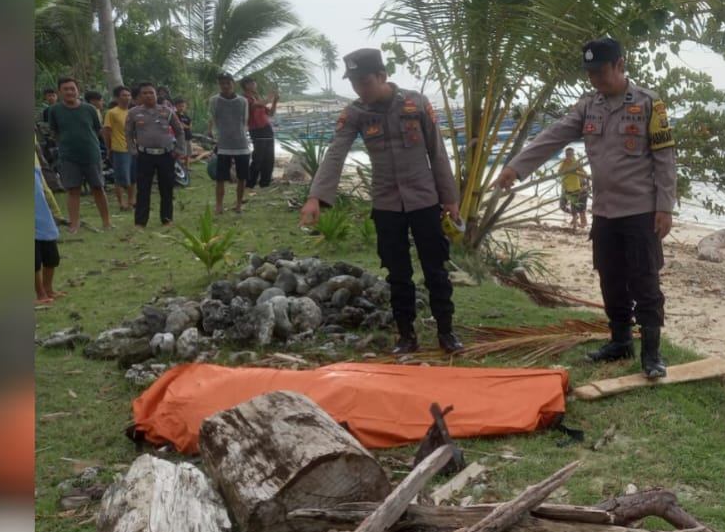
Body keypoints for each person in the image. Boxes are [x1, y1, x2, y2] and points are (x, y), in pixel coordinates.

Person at [492, 37, 677, 378]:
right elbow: (553, 136)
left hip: (640, 212)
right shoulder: (588, 106)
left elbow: (665, 160)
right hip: (604, 212)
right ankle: (620, 341)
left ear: (620, 65)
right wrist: (515, 167)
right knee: (610, 280)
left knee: (645, 283)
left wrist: (665, 206)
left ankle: (651, 355)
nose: (595, 80)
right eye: (590, 73)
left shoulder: (650, 104)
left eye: (601, 72)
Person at [300, 48, 464, 355]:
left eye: (365, 82)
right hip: (387, 204)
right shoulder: (355, 114)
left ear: (382, 76)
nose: (360, 89)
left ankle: (446, 332)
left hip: (425, 200)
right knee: (397, 273)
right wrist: (315, 197)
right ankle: (406, 335)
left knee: (435, 269)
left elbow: (437, 153)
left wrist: (450, 199)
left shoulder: (417, 104)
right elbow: (336, 152)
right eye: (354, 83)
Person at [44, 78, 111, 232]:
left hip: (91, 154)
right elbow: (55, 132)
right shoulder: (54, 111)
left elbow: (96, 129)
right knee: (73, 190)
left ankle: (107, 222)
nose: (69, 92)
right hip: (68, 156)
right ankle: (74, 224)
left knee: (98, 188)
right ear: (60, 92)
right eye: (65, 89)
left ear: (77, 90)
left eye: (72, 89)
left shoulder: (89, 109)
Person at [126, 82, 185, 228]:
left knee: (166, 188)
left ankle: (167, 219)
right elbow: (128, 133)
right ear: (140, 96)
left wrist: (179, 149)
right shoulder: (133, 113)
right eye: (144, 93)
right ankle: (140, 222)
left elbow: (179, 131)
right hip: (144, 155)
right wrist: (133, 150)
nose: (148, 95)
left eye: (150, 93)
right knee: (143, 189)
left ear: (155, 94)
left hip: (165, 155)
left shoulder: (167, 111)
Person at [207, 73, 251, 213]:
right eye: (222, 83)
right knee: (220, 178)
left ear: (233, 83)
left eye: (228, 83)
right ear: (219, 85)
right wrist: (215, 135)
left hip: (241, 144)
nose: (225, 86)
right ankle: (219, 205)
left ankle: (238, 204)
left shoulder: (242, 101)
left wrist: (240, 134)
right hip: (223, 145)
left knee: (242, 177)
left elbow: (244, 121)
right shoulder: (214, 101)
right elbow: (213, 118)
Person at [241, 76, 279, 189]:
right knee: (258, 157)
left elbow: (270, 113)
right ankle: (250, 182)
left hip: (266, 128)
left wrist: (275, 101)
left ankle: (265, 182)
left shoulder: (256, 98)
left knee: (269, 157)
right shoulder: (245, 99)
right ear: (247, 85)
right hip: (256, 129)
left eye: (254, 83)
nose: (255, 85)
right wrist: (271, 96)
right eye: (253, 83)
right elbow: (259, 105)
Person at [34, 163, 62, 305]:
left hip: (43, 219)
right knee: (34, 261)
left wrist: (56, 212)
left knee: (52, 257)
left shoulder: (36, 171)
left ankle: (48, 288)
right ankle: (40, 294)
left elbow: (46, 191)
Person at [104, 85, 135, 213]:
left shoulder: (133, 112)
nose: (127, 98)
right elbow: (106, 130)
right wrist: (109, 147)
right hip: (119, 148)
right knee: (121, 178)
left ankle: (131, 202)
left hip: (133, 148)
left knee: (133, 177)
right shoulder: (112, 113)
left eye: (128, 95)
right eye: (124, 95)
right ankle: (121, 203)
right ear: (117, 98)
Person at [557, 147, 590, 230]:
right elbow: (559, 173)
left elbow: (585, 174)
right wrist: (565, 165)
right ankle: (575, 217)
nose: (569, 156)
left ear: (573, 154)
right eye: (567, 154)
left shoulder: (576, 163)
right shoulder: (563, 162)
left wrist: (575, 172)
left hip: (575, 188)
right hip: (565, 188)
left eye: (570, 154)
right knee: (562, 206)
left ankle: (575, 226)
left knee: (574, 207)